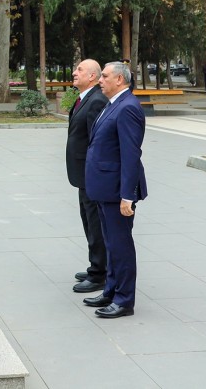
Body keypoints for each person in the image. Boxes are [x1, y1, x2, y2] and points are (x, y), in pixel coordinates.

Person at [82, 61, 148, 319]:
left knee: (121, 245)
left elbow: (131, 155)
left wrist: (127, 195)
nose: (100, 80)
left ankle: (124, 300)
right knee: (110, 244)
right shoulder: (113, 104)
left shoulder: (128, 107)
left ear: (119, 79)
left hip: (116, 191)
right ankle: (111, 289)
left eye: (105, 76)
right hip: (104, 188)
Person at [65, 59, 107, 294]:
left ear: (92, 76)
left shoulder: (96, 101)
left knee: (95, 224)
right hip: (82, 175)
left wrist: (94, 174)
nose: (74, 72)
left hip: (91, 175)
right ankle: (96, 265)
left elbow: (97, 142)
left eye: (79, 69)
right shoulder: (85, 98)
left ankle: (99, 273)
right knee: (88, 222)